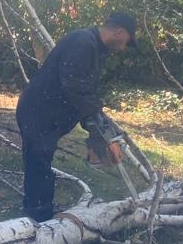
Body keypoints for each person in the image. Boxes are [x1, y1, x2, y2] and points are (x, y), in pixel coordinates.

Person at [15, 12, 137, 222]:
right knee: (38, 162)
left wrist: (96, 123)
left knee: (40, 161)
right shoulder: (83, 43)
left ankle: (38, 210)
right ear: (119, 32)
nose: (124, 47)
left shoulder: (94, 47)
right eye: (126, 41)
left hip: (47, 113)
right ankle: (39, 217)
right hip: (39, 111)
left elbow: (83, 90)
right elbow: (74, 86)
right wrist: (97, 123)